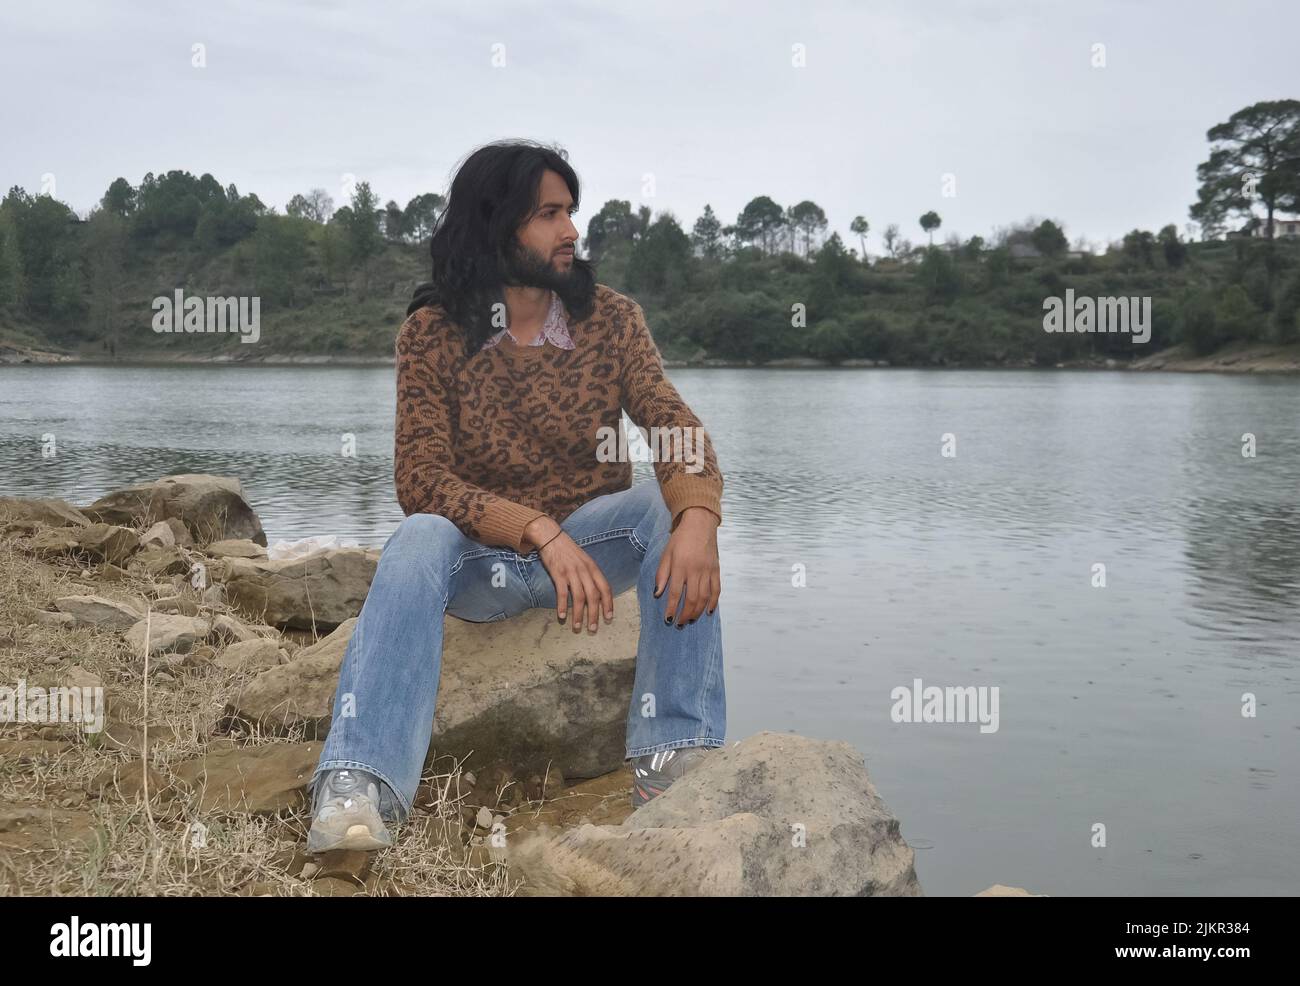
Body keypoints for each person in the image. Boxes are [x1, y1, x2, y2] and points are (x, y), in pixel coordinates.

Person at [306, 139, 726, 853]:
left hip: (593, 549)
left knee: (670, 507)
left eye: (571, 212)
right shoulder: (433, 334)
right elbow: (422, 480)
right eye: (549, 215)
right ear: (497, 226)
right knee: (417, 536)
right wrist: (534, 528)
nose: (571, 231)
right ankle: (359, 792)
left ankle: (674, 763)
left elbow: (670, 420)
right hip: (479, 562)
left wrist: (698, 515)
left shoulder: (613, 320)